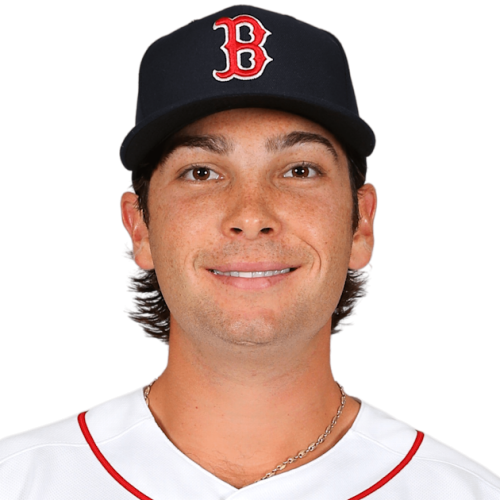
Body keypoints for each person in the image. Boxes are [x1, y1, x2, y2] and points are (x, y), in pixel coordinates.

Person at [1, 5, 499, 499]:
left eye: (299, 170)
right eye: (201, 172)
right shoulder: (18, 479)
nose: (251, 215)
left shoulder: (466, 492)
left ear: (361, 224)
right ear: (141, 228)